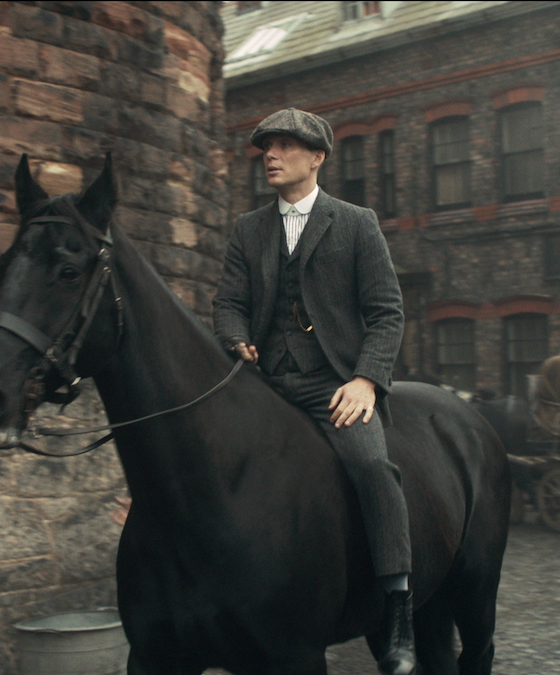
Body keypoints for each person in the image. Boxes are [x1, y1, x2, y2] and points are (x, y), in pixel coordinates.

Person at [212, 109, 414, 674]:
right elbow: (228, 303)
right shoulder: (247, 229)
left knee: (372, 467)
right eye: (266, 148)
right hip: (263, 383)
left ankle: (398, 608)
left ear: (317, 157)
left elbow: (386, 313)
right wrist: (234, 338)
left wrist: (366, 380)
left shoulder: (356, 223)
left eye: (284, 146)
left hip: (334, 386)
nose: (270, 156)